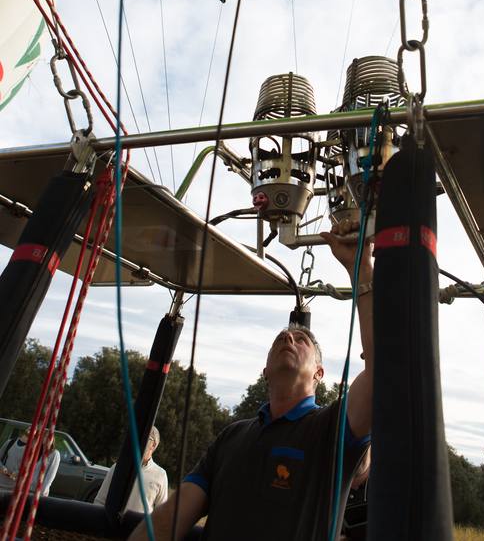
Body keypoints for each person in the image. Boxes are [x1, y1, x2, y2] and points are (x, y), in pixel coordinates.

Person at [130, 219, 373, 541]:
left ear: (319, 373)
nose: (288, 337)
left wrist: (362, 272)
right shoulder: (233, 436)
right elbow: (171, 519)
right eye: (280, 339)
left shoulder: (334, 427)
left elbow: (385, 365)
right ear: (265, 371)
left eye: (301, 340)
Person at [95, 427, 168, 513]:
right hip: (113, 525)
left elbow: (162, 512)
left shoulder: (160, 475)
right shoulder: (118, 467)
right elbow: (99, 502)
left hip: (141, 526)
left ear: (154, 445)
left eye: (146, 438)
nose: (139, 441)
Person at [0, 428, 60, 497]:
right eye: (45, 436)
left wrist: (42, 492)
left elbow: (50, 476)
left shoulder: (54, 454)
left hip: (39, 492)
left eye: (50, 437)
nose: (47, 439)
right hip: (26, 489)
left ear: (53, 439)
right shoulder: (36, 451)